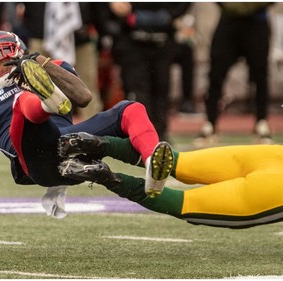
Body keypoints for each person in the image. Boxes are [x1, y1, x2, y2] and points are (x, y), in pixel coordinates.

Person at [0, 30, 171, 218]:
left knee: (130, 109)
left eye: (3, 60)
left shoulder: (50, 66)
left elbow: (84, 97)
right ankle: (47, 103)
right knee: (23, 101)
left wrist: (39, 63)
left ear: (19, 53)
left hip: (72, 142)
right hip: (34, 159)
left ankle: (153, 163)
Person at [59, 132, 283, 229]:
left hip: (273, 156)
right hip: (275, 187)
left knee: (177, 162)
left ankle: (100, 143)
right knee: (186, 203)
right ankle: (107, 177)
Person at [94, 3, 191, 141]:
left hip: (162, 38)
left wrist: (170, 14)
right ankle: (141, 134)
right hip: (131, 37)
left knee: (161, 87)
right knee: (137, 90)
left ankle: (160, 135)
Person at [195, 3, 274, 146]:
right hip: (229, 19)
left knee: (260, 74)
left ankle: (261, 122)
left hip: (257, 21)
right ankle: (210, 123)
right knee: (216, 73)